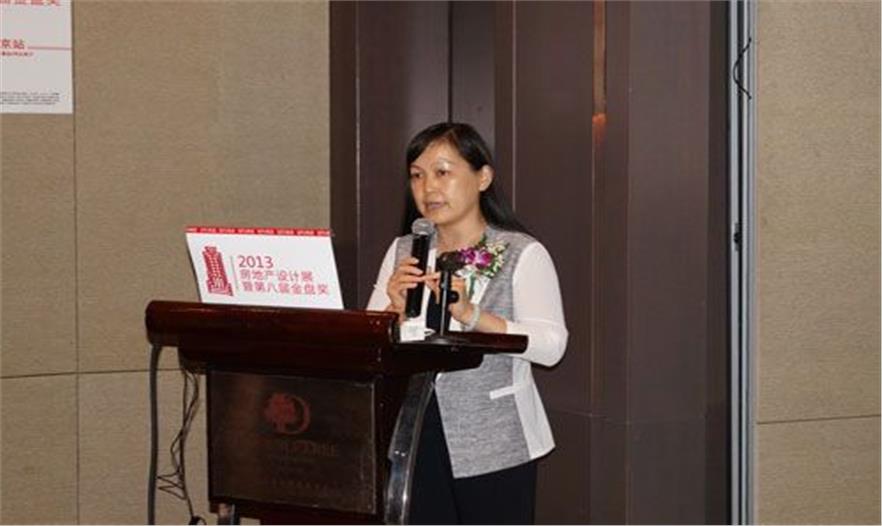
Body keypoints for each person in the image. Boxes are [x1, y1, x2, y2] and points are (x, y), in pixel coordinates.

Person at [366, 122, 567, 524]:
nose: (428, 188)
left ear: (483, 177)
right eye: (417, 176)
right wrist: (393, 308)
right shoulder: (404, 250)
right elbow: (369, 344)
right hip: (414, 430)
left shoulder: (522, 252)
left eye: (443, 172)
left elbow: (551, 345)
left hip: (495, 438)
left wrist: (474, 316)